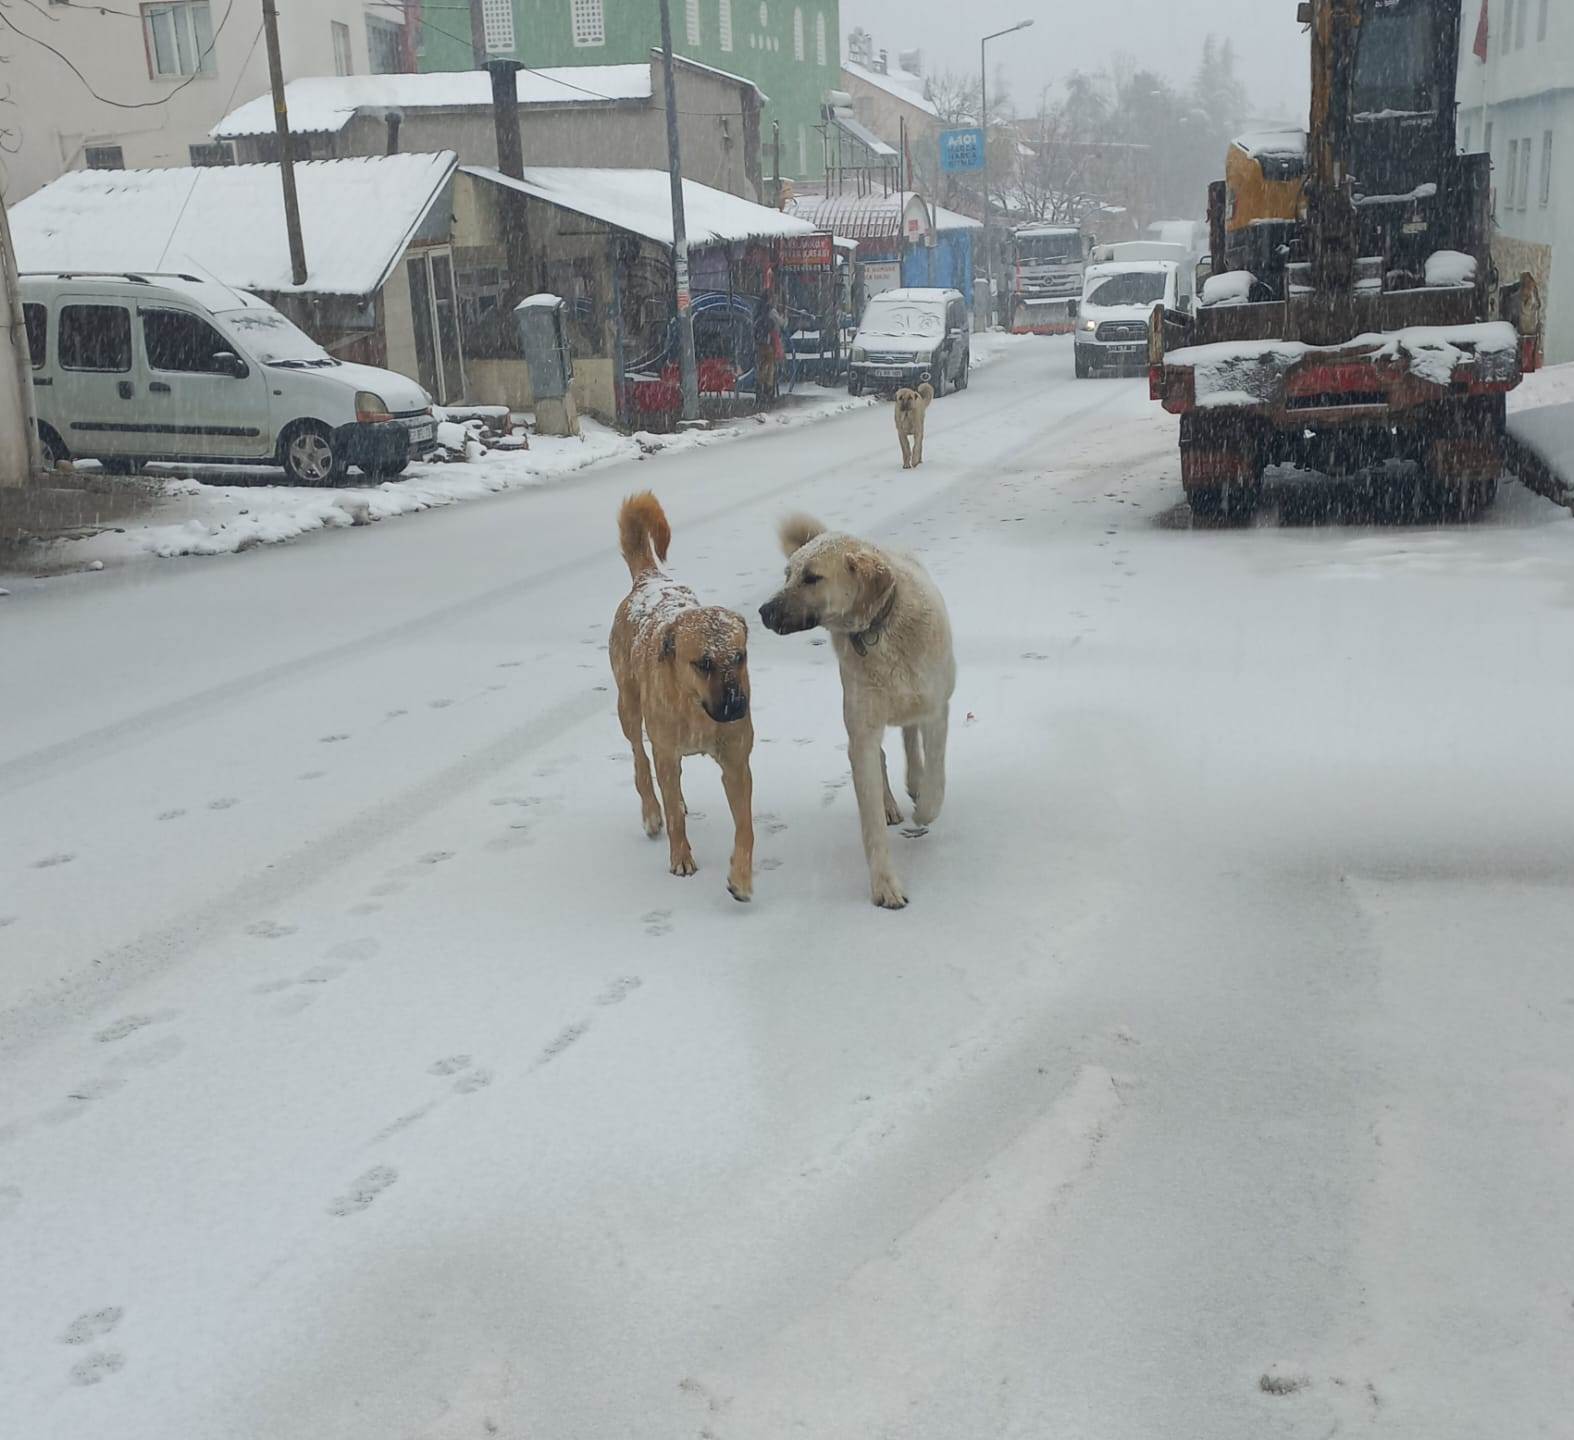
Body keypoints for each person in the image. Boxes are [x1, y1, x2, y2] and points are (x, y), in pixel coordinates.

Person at [754, 287, 784, 408]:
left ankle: (759, 392)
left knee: (761, 368)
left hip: (759, 342)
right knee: (770, 368)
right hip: (768, 343)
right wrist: (784, 317)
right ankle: (768, 392)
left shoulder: (758, 309)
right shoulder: (771, 311)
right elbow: (781, 323)